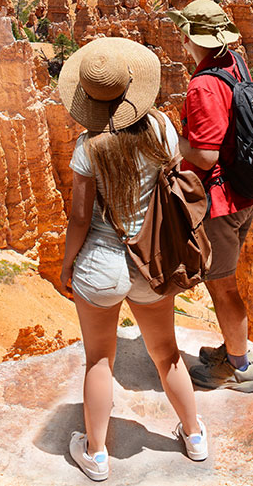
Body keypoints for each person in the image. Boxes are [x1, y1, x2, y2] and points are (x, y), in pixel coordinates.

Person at [57, 36, 208, 481]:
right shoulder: (161, 129)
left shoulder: (88, 148)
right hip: (152, 260)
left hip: (100, 267)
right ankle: (195, 435)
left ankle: (97, 455)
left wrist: (68, 266)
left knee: (99, 360)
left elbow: (80, 220)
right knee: (167, 354)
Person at [166, 0, 253, 393]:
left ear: (192, 37)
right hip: (245, 189)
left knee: (222, 286)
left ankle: (240, 369)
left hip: (220, 202)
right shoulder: (235, 63)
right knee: (225, 282)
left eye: (184, 34)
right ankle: (232, 350)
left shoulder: (203, 85)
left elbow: (204, 156)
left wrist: (175, 143)